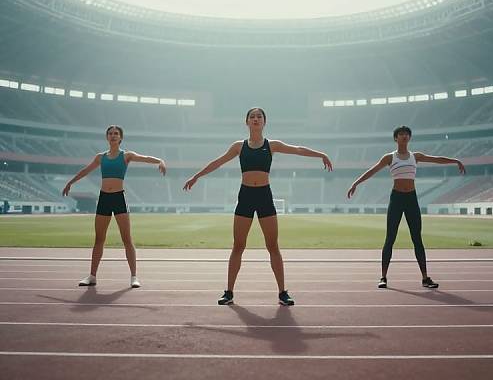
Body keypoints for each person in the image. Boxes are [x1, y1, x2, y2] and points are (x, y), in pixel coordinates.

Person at [183, 107, 333, 306]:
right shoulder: (239, 146)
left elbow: (297, 149)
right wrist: (196, 176)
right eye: (252, 117)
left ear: (264, 122)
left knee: (273, 246)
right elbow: (217, 162)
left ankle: (282, 292)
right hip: (245, 196)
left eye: (259, 117)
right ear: (247, 122)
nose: (255, 119)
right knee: (238, 245)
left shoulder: (272, 145)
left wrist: (320, 154)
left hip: (264, 196)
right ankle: (229, 292)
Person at [347, 125, 465, 289]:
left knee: (417, 239)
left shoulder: (415, 156)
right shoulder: (389, 157)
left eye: (406, 134)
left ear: (409, 138)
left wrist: (455, 160)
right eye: (401, 134)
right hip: (396, 199)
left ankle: (425, 278)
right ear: (396, 138)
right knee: (390, 238)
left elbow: (436, 159)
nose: (404, 136)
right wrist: (356, 183)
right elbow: (372, 171)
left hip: (411, 199)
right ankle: (383, 277)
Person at [62, 125, 166, 288]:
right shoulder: (100, 157)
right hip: (104, 198)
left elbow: (144, 157)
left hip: (119, 198)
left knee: (126, 239)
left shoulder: (127, 155)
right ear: (107, 137)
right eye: (110, 133)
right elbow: (85, 171)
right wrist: (70, 182)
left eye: (116, 134)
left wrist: (160, 161)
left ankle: (134, 277)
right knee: (99, 239)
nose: (113, 136)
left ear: (121, 138)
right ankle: (92, 276)